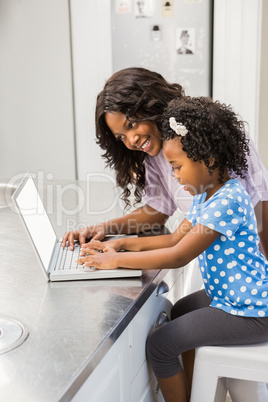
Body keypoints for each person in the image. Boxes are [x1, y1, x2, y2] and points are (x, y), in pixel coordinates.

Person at [76, 96, 268, 402]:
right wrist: (120, 244)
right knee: (179, 311)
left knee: (160, 344)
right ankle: (198, 392)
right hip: (234, 296)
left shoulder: (228, 200)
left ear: (209, 160)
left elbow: (179, 256)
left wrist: (115, 262)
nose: (174, 176)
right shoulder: (208, 196)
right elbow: (174, 239)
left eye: (177, 167)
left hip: (252, 311)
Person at [62, 67, 268, 260]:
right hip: (222, 270)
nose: (131, 140)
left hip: (252, 272)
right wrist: (105, 229)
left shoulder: (212, 143)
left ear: (150, 105)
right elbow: (157, 212)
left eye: (132, 125)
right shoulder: (154, 155)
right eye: (121, 137)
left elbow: (262, 206)